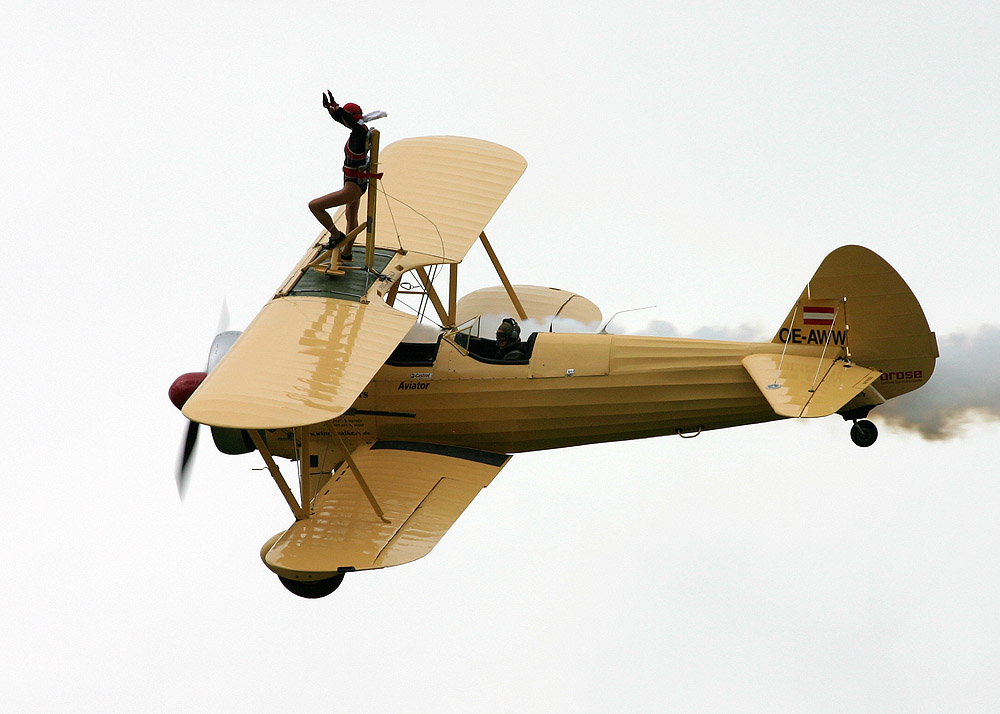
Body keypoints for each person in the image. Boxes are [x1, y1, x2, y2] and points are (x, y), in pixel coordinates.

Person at [308, 90, 371, 261]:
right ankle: (347, 253)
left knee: (315, 206)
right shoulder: (360, 130)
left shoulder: (359, 134)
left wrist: (339, 110)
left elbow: (349, 121)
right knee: (351, 216)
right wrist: (332, 110)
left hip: (352, 187)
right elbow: (347, 121)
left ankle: (336, 236)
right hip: (355, 183)